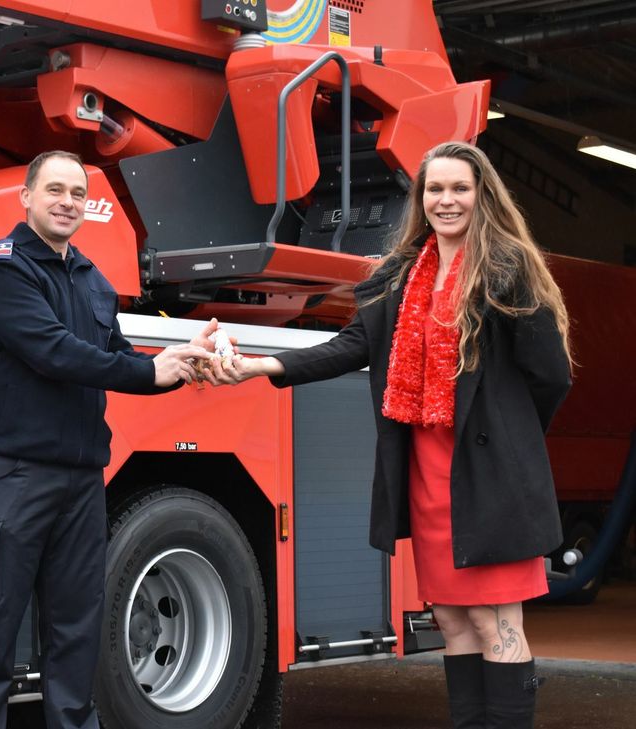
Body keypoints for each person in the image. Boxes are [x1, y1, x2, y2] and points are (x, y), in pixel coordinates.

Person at [213, 141, 572, 729]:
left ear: (483, 195)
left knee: (496, 623)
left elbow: (550, 375)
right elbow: (353, 345)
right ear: (421, 198)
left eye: (460, 188)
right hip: (428, 474)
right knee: (453, 621)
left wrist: (510, 440)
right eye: (435, 189)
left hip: (491, 476)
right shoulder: (402, 274)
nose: (447, 200)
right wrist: (264, 365)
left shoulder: (507, 268)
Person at [0, 150, 214, 729]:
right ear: (26, 197)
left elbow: (114, 359)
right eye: (54, 190)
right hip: (13, 478)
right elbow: (53, 353)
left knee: (76, 640)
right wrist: (147, 371)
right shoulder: (3, 270)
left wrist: (176, 363)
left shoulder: (93, 279)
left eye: (77, 193)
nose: (67, 202)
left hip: (79, 485)